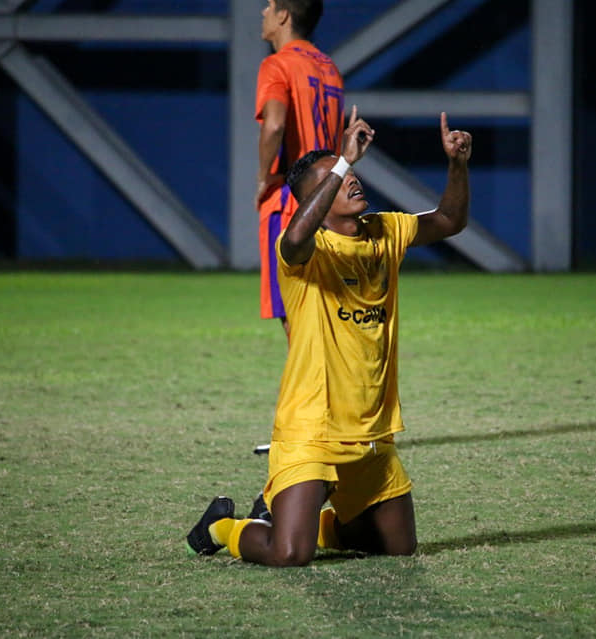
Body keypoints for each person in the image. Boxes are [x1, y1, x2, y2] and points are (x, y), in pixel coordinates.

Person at [187, 108, 472, 566]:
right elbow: (295, 236)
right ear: (314, 201)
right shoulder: (303, 253)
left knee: (397, 547)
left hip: (370, 432)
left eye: (351, 174)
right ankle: (223, 527)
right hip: (312, 429)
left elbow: (449, 220)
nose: (351, 180)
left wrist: (457, 164)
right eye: (336, 180)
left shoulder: (386, 230)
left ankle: (307, 519)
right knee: (289, 553)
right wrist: (342, 160)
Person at [257, 0, 345, 338]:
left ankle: (308, 375)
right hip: (332, 200)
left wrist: (263, 178)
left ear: (283, 15)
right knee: (327, 310)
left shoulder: (277, 64)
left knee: (294, 313)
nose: (263, 12)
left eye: (268, 5)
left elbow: (274, 125)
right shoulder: (330, 67)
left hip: (292, 201)